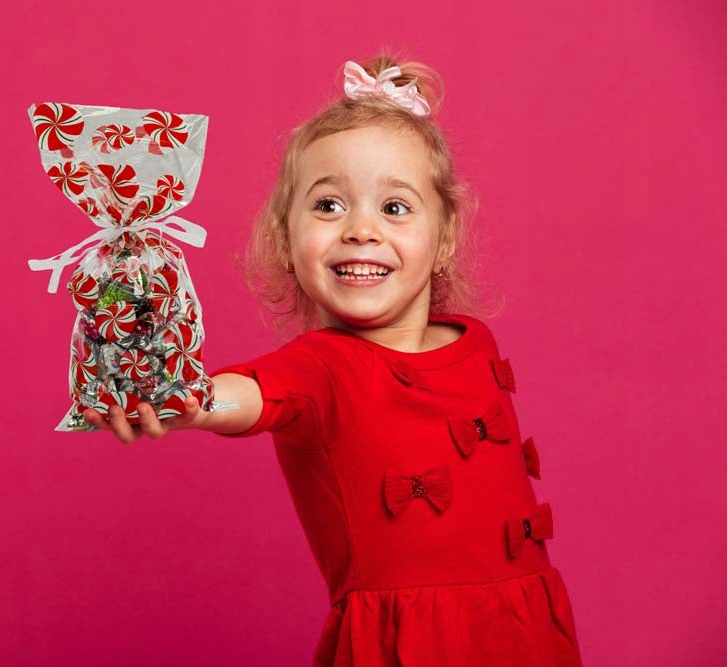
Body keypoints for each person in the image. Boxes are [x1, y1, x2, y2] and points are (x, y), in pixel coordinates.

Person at [85, 54, 583, 666]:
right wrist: (184, 399)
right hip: (407, 651)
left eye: (394, 208)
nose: (360, 231)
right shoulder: (323, 367)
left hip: (528, 639)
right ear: (285, 238)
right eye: (328, 206)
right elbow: (251, 394)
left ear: (445, 235)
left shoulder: (474, 341)